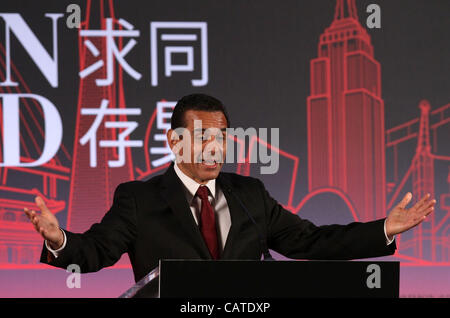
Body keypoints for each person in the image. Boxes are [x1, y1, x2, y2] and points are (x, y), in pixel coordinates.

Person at [24, 93, 435, 283]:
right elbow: (95, 252)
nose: (214, 146)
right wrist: (59, 238)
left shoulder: (248, 194)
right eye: (201, 135)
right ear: (174, 141)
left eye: (220, 136)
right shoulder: (139, 199)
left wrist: (383, 229)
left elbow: (309, 241)